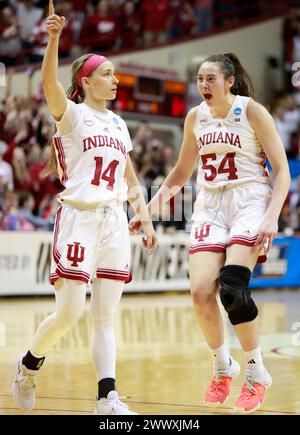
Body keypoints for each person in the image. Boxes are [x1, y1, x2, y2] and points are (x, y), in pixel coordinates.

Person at [12, 0, 157, 415]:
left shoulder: (118, 124)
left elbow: (129, 177)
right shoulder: (72, 116)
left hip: (114, 221)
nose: (115, 80)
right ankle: (28, 364)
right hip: (78, 218)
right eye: (108, 74)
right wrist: (53, 39)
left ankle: (106, 398)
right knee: (70, 314)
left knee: (105, 317)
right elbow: (49, 86)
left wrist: (143, 216)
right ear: (88, 80)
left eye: (114, 74)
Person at [130, 53, 291, 413]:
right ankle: (222, 366)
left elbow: (282, 171)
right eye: (200, 79)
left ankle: (256, 372)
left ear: (230, 81)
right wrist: (146, 212)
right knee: (202, 293)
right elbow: (180, 173)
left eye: (211, 79)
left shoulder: (252, 112)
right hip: (209, 206)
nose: (203, 85)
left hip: (249, 201)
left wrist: (271, 216)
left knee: (232, 288)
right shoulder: (195, 117)